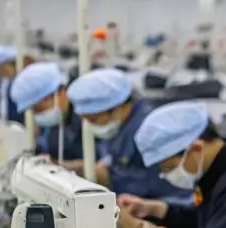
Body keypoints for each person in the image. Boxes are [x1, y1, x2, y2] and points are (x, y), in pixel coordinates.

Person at [66, 67, 178, 199]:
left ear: (118, 107)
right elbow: (113, 156)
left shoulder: (151, 132)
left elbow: (161, 185)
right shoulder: (120, 125)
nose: (90, 125)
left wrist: (110, 178)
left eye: (93, 119)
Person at [9, 61, 91, 169]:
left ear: (59, 94)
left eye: (38, 108)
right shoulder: (56, 120)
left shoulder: (88, 118)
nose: (37, 115)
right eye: (33, 110)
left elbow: (106, 168)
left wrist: (63, 166)